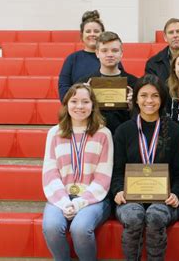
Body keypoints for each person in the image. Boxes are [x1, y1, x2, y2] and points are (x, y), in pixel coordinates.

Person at [110, 74, 179, 260]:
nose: (149, 100)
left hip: (165, 198)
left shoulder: (175, 131)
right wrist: (118, 190)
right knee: (133, 216)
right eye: (144, 95)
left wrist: (177, 195)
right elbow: (116, 171)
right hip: (130, 197)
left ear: (162, 99)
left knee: (155, 215)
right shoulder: (124, 131)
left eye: (155, 96)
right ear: (136, 99)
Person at [42, 83, 113, 261]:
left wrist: (80, 203)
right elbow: (50, 173)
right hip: (61, 196)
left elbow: (103, 177)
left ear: (93, 105)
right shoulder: (54, 133)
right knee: (51, 227)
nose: (80, 106)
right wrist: (65, 202)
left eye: (85, 101)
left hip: (94, 199)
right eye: (74, 101)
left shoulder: (103, 134)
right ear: (66, 105)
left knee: (80, 229)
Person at [77, 31, 138, 134]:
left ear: (121, 53)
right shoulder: (84, 83)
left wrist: (133, 107)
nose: (110, 54)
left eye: (114, 50)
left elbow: (142, 119)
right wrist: (84, 100)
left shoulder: (135, 83)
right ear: (97, 53)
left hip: (125, 137)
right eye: (104, 50)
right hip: (94, 135)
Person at [58, 10, 124, 101]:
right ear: (82, 35)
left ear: (103, 34)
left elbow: (120, 85)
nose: (92, 34)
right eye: (88, 31)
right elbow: (63, 89)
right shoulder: (72, 59)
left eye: (96, 31)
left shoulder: (111, 58)